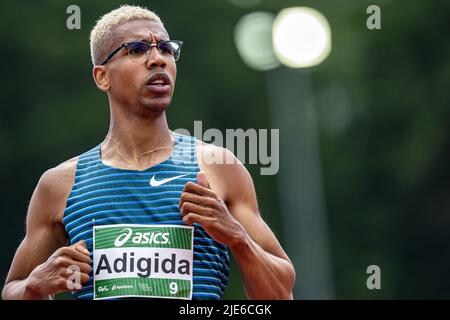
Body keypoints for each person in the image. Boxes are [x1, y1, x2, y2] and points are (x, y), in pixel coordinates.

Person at [2, 5, 295, 300]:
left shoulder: (218, 167)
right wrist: (35, 285)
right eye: (137, 49)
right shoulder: (60, 185)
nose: (157, 60)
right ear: (102, 76)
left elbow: (281, 293)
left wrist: (238, 238)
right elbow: (12, 291)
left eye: (166, 49)